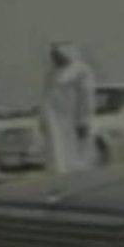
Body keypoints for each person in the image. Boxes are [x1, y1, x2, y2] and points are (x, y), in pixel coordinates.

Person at [40, 42, 97, 174]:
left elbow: (86, 96)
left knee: (76, 150)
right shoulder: (51, 73)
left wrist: (84, 120)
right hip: (53, 118)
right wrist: (42, 118)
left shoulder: (81, 70)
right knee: (56, 148)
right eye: (52, 55)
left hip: (73, 117)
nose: (53, 58)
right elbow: (45, 96)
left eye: (56, 54)